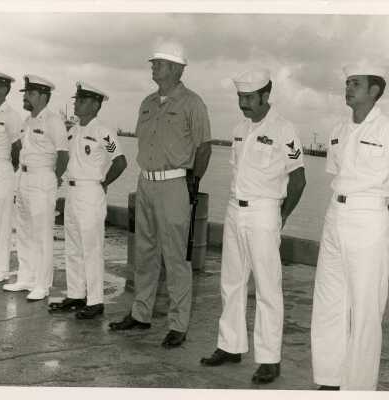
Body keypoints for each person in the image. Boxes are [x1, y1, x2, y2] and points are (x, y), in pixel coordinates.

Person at [200, 69, 306, 385]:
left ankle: (269, 359)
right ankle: (230, 345)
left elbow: (299, 180)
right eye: (240, 97)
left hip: (264, 212)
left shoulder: (284, 129)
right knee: (231, 281)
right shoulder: (239, 129)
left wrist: (280, 216)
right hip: (236, 209)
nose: (243, 103)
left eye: (249, 98)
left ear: (264, 95)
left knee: (267, 288)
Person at [109, 40, 212, 348]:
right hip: (146, 183)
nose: (153, 67)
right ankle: (141, 314)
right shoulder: (147, 102)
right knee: (145, 253)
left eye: (158, 63)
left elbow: (204, 147)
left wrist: (192, 183)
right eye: (153, 63)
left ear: (176, 69)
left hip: (173, 185)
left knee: (176, 257)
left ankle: (179, 324)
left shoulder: (193, 103)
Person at [311, 63, 389, 391]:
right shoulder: (338, 129)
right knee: (329, 300)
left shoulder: (386, 129)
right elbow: (336, 173)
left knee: (365, 309)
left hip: (369, 218)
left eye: (355, 83)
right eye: (346, 83)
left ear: (375, 90)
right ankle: (329, 379)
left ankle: (358, 389)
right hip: (335, 215)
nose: (348, 88)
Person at [48, 81, 127, 319]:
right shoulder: (72, 131)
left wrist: (103, 183)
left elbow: (121, 161)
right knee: (72, 248)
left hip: (91, 193)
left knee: (91, 249)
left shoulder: (104, 133)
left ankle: (95, 301)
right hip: (72, 194)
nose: (76, 103)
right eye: (76, 99)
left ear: (95, 104)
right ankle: (75, 294)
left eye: (81, 100)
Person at [3, 75, 69, 301]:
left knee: (41, 234)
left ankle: (42, 284)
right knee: (23, 231)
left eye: (30, 94)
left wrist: (54, 178)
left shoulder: (54, 121)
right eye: (26, 94)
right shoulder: (28, 121)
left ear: (43, 96)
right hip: (24, 177)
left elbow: (63, 155)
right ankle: (26, 277)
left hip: (42, 180)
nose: (26, 97)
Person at [0, 70, 22, 283]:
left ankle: (1, 269)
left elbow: (17, 148)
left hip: (2, 170)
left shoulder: (11, 115)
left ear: (3, 89)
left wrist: (9, 168)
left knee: (1, 222)